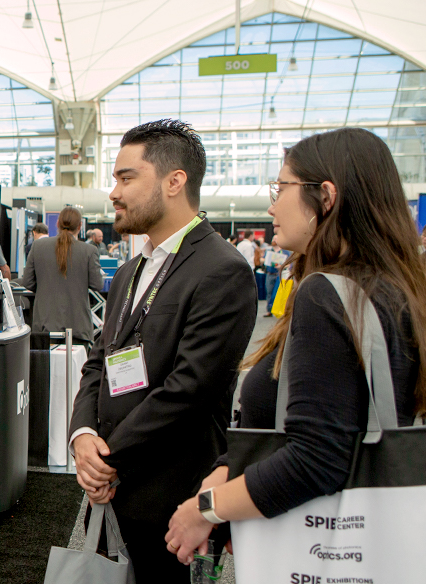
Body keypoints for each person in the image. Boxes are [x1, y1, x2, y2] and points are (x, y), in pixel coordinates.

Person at [164, 127, 426, 567]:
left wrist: (206, 508)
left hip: (321, 547)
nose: (273, 204)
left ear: (325, 197)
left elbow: (316, 459)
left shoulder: (327, 294)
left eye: (282, 187)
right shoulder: (394, 289)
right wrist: (225, 473)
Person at [68, 119, 257, 582]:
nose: (113, 191)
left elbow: (189, 390)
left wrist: (108, 460)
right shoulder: (132, 269)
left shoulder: (222, 270)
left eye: (126, 177)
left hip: (172, 502)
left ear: (175, 182)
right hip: (113, 492)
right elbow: (100, 360)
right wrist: (82, 437)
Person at [16, 206, 103, 347]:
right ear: (80, 226)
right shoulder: (89, 251)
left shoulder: (38, 246)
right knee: (75, 368)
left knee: (45, 368)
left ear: (57, 224)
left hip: (45, 325)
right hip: (77, 327)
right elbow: (97, 284)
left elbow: (27, 282)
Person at [262, 242, 285, 317]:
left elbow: (289, 263)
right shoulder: (269, 251)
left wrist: (282, 266)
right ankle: (269, 310)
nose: (274, 240)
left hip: (278, 274)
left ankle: (278, 309)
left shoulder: (284, 251)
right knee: (269, 292)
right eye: (273, 239)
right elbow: (262, 259)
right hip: (269, 274)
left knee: (277, 293)